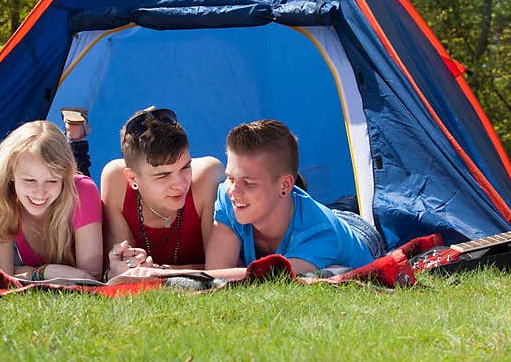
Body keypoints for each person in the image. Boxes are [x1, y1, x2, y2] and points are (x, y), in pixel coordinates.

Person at [203, 119, 384, 279]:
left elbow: (268, 276)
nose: (233, 191)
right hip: (301, 209)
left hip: (359, 233)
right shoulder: (228, 197)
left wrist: (182, 276)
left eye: (248, 183)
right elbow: (216, 275)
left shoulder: (321, 234)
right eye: (231, 178)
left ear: (284, 185)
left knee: (353, 209)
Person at [100, 106, 224, 279]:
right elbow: (123, 270)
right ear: (132, 178)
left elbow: (220, 270)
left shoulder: (208, 176)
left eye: (186, 167)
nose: (179, 184)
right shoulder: (115, 179)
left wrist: (155, 272)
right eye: (163, 176)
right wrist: (120, 266)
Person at [0, 120, 103, 281]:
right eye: (29, 180)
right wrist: (42, 273)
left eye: (52, 181)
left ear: (65, 177)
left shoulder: (82, 192)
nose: (40, 193)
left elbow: (90, 278)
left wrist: (26, 272)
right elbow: (2, 277)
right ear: (11, 173)